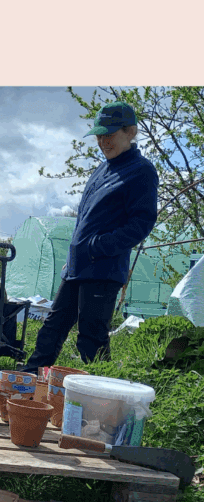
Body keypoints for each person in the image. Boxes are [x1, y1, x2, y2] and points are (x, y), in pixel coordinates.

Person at [19, 101, 159, 374]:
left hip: (103, 268)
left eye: (109, 134)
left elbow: (142, 223)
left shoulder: (141, 171)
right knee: (52, 328)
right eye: (99, 135)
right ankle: (28, 382)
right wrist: (74, 256)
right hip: (78, 266)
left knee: (90, 339)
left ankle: (101, 399)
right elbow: (85, 219)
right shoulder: (102, 169)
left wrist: (98, 247)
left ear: (130, 132)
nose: (103, 141)